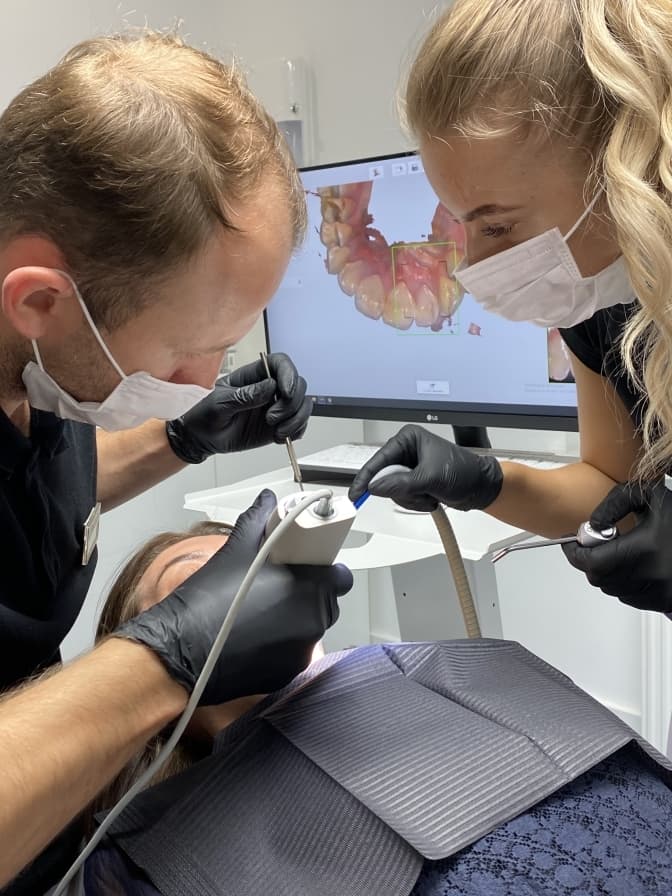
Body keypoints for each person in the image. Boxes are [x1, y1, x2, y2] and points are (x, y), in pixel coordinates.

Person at [0, 32, 352, 894]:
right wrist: (170, 657)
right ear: (39, 300)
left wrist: (182, 437)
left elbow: (34, 499)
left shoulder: (40, 372)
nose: (203, 379)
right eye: (189, 350)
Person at [79, 518, 672, 895]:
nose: (244, 582)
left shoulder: (457, 664)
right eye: (196, 575)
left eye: (263, 563)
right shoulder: (141, 853)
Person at [349, 0, 672, 616]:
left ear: (628, 165)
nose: (473, 265)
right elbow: (611, 483)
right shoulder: (599, 299)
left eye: (496, 227)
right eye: (464, 225)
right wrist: (486, 481)